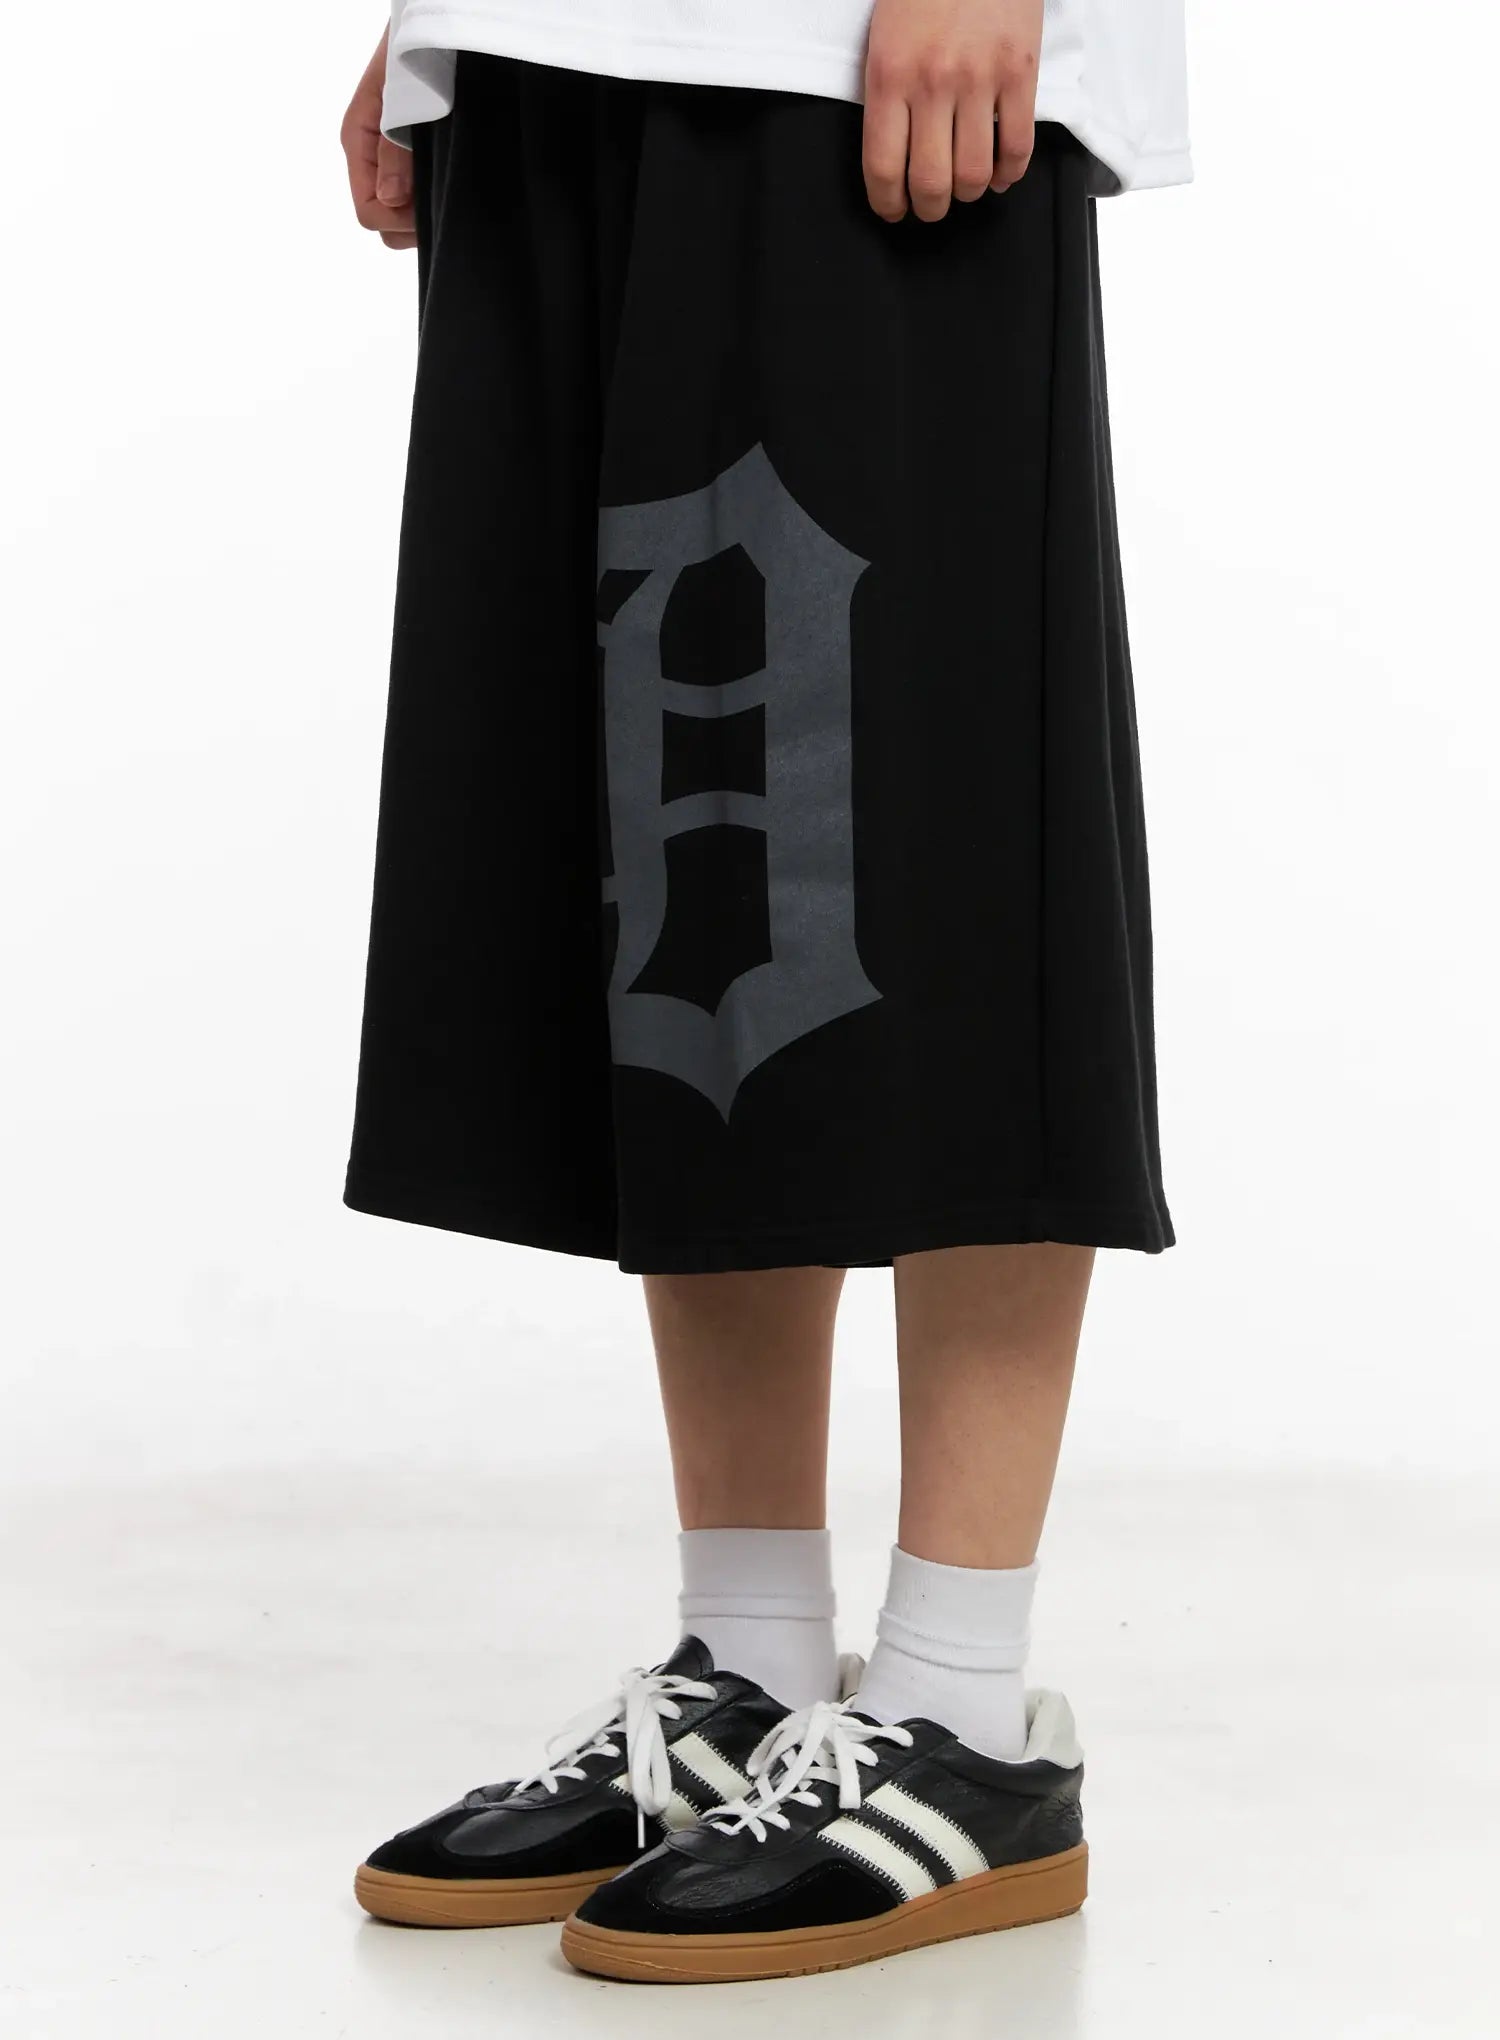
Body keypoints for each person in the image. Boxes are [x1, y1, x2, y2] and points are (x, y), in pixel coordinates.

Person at [339, 0, 1188, 1986]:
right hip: (554, 59)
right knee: (684, 883)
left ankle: (965, 1709)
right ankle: (750, 1662)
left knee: (945, 821)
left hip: (865, 51)